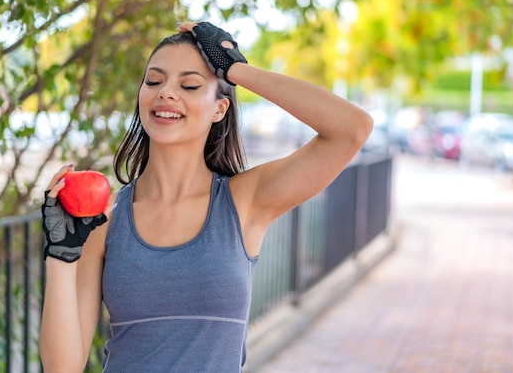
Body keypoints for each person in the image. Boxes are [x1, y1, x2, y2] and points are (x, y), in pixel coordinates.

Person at [38, 21, 373, 372]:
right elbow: (63, 368)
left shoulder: (245, 201)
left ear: (219, 109)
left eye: (190, 84)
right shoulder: (105, 221)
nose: (166, 92)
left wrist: (235, 70)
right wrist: (60, 256)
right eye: (154, 81)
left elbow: (351, 129)